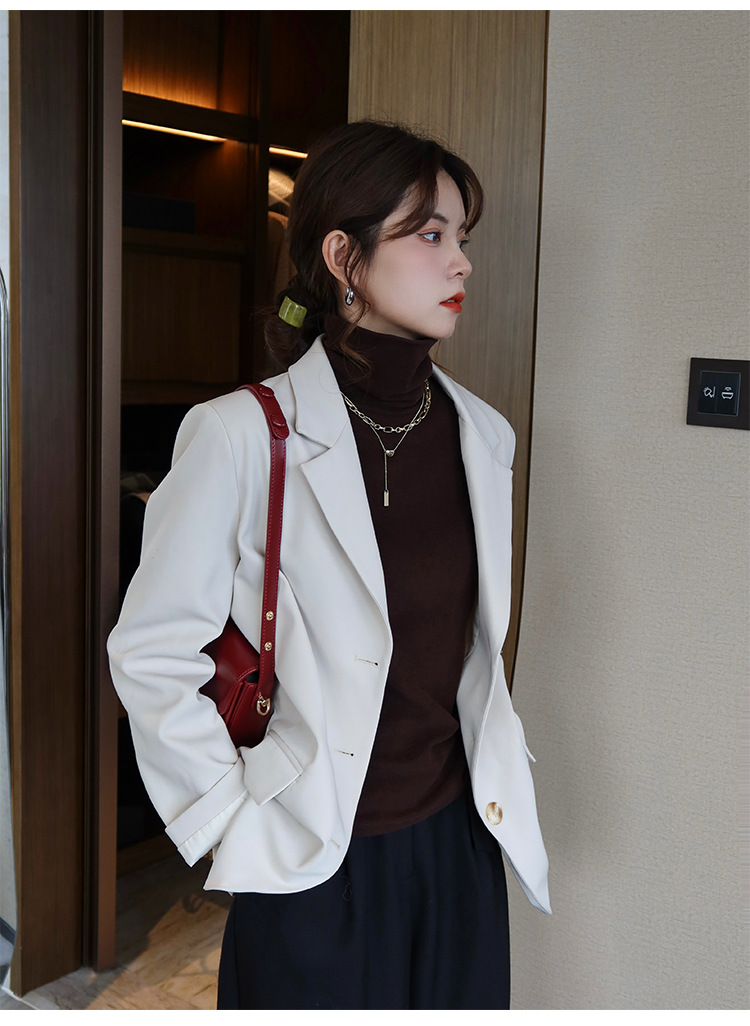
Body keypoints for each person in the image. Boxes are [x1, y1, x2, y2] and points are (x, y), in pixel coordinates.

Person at [107, 120, 550, 1011]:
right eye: (430, 234)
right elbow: (151, 654)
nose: (461, 263)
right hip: (312, 856)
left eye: (462, 237)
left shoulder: (483, 435)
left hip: (460, 847)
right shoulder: (240, 435)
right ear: (344, 256)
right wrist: (231, 821)